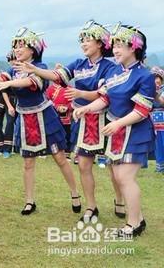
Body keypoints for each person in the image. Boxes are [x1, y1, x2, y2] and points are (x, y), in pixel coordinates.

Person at [74, 23, 154, 238]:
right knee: (119, 177)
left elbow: (142, 110)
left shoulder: (144, 76)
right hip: (118, 131)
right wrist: (87, 109)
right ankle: (137, 218)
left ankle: (133, 223)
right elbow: (106, 98)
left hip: (135, 131)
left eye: (121, 46)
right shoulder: (115, 72)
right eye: (115, 45)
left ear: (134, 48)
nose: (115, 50)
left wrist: (118, 123)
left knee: (125, 177)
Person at [0, 27, 81, 215]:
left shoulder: (40, 67)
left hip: (44, 116)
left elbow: (32, 83)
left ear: (32, 49)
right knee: (28, 162)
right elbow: (1, 76)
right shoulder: (14, 68)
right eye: (15, 46)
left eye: (21, 45)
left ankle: (74, 193)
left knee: (60, 158)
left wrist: (9, 84)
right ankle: (29, 201)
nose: (17, 49)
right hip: (24, 118)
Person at [150, 66, 164, 173]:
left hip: (162, 118)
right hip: (154, 120)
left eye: (158, 77)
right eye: (154, 78)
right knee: (157, 144)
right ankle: (160, 167)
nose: (156, 80)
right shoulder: (149, 90)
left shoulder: (162, 90)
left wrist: (156, 95)